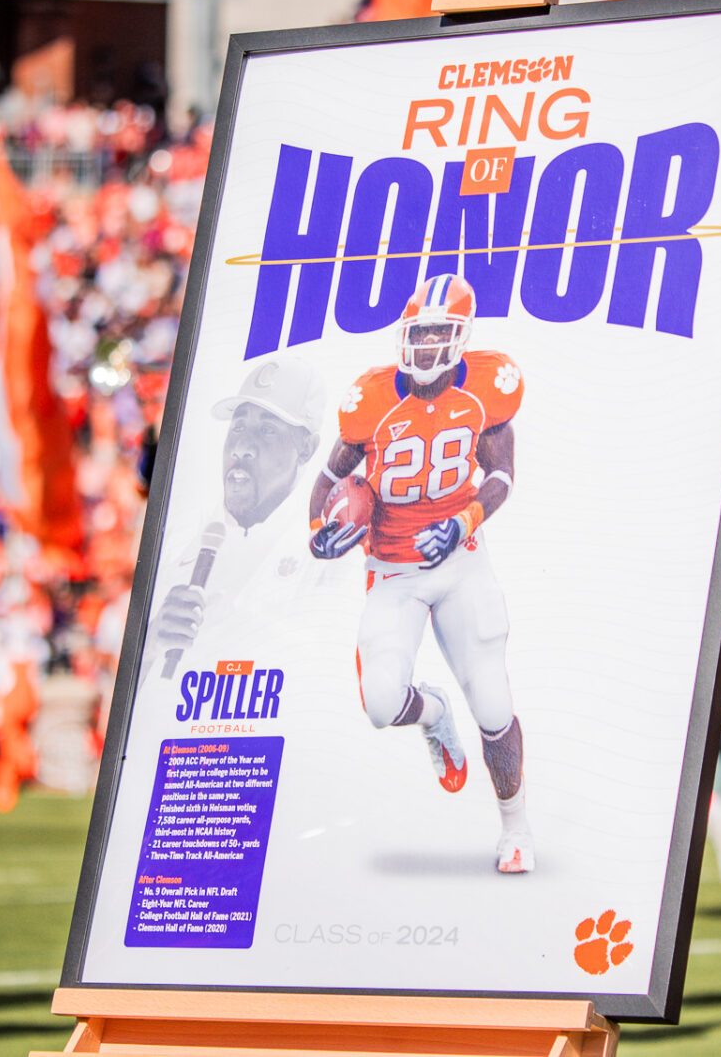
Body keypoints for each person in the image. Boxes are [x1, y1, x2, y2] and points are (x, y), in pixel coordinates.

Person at [307, 274, 533, 874]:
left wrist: (464, 521)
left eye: (439, 331)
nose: (428, 342)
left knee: (494, 703)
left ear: (460, 336)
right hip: (392, 569)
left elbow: (502, 475)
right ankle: (433, 713)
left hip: (461, 563)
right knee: (381, 704)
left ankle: (516, 829)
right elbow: (330, 479)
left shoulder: (486, 388)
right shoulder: (373, 397)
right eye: (421, 330)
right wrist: (318, 532)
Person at [144, 356, 327, 679]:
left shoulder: (325, 556)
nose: (241, 447)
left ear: (307, 448)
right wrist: (151, 641)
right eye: (238, 427)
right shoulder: (175, 537)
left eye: (267, 430)